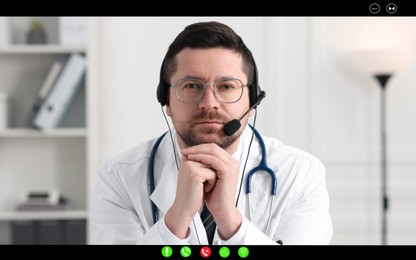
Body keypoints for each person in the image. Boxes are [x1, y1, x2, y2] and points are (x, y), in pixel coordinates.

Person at [90, 21, 333, 245]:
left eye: (227, 86)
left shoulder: (300, 174)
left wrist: (230, 220)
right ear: (166, 100)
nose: (209, 103)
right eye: (192, 86)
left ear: (252, 102)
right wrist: (177, 218)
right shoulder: (118, 176)